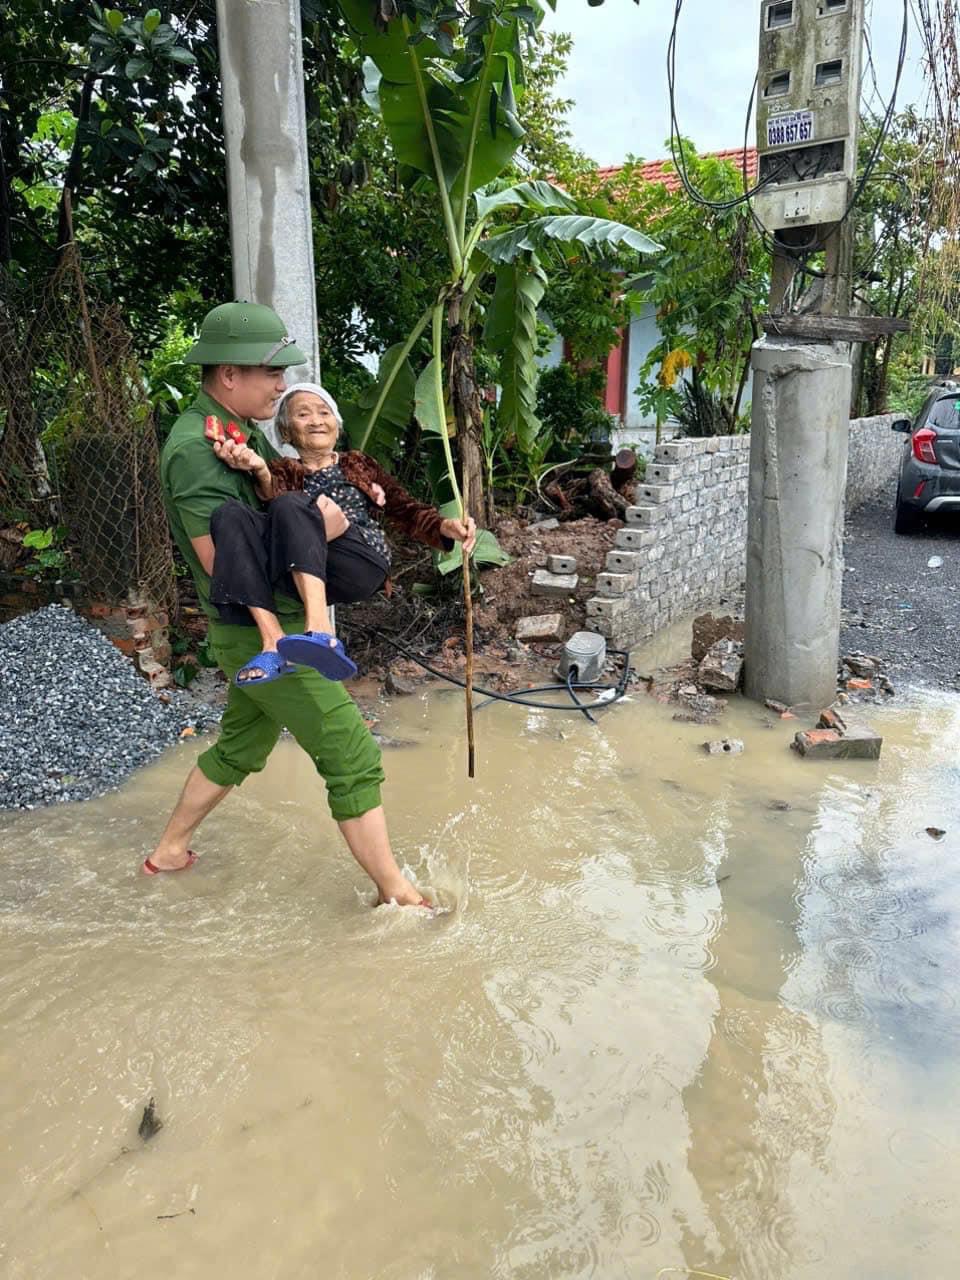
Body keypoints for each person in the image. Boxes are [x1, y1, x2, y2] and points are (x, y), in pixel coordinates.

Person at [146, 301, 436, 909]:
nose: (283, 386)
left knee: (241, 747)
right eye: (272, 373)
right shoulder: (196, 450)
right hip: (255, 631)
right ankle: (399, 897)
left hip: (261, 632)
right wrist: (318, 532)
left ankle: (169, 852)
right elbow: (218, 563)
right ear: (230, 374)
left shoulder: (241, 432)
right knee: (352, 753)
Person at [205, 381, 476, 686]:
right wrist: (261, 471)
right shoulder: (281, 470)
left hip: (359, 560)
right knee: (229, 514)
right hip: (303, 566)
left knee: (293, 504)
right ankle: (272, 643)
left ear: (337, 425)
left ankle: (321, 630)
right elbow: (273, 506)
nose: (317, 420)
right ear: (285, 432)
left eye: (324, 412)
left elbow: (405, 508)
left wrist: (443, 525)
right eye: (303, 415)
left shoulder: (357, 464)